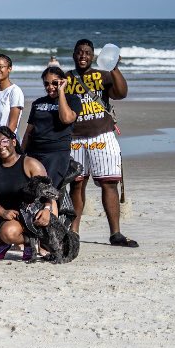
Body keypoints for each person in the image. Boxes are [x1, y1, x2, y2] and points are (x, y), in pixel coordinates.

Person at [65, 39, 133, 247]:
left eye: (87, 52)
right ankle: (73, 232)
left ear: (93, 56)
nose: (83, 56)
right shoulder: (67, 78)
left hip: (102, 135)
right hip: (75, 138)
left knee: (109, 184)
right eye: (79, 52)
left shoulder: (103, 75)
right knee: (76, 185)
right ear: (74, 55)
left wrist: (115, 67)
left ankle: (115, 233)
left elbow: (120, 94)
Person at [0, 126, 53, 260]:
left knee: (8, 233)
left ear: (13, 142)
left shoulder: (30, 164)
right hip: (2, 210)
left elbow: (48, 192)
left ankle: (28, 241)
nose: (0, 146)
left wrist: (47, 209)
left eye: (4, 141)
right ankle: (2, 243)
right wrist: (3, 212)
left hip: (26, 214)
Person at [22, 66, 81, 183]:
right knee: (31, 190)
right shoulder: (38, 103)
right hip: (34, 152)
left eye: (54, 83)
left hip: (56, 154)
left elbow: (66, 119)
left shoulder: (73, 100)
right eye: (46, 84)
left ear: (62, 82)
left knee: (47, 189)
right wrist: (20, 154)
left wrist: (61, 92)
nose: (50, 87)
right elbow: (29, 131)